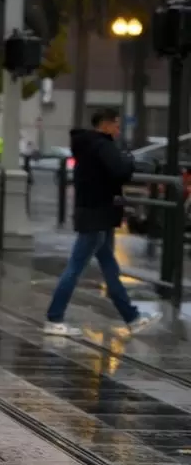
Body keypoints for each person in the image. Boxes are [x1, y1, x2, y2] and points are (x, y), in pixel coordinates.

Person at [44, 109, 162, 336]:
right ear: (105, 125)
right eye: (116, 125)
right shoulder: (102, 146)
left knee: (110, 269)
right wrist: (129, 161)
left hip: (96, 214)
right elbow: (120, 170)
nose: (118, 129)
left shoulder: (87, 144)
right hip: (97, 215)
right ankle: (54, 318)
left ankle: (132, 318)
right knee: (76, 267)